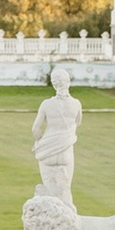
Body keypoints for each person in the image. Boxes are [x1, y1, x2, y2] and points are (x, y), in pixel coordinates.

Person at [32, 65, 82, 203]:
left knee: (50, 193)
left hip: (47, 150)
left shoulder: (46, 104)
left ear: (54, 84)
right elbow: (77, 123)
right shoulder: (76, 104)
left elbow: (35, 129)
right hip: (65, 150)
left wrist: (41, 141)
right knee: (65, 192)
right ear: (68, 82)